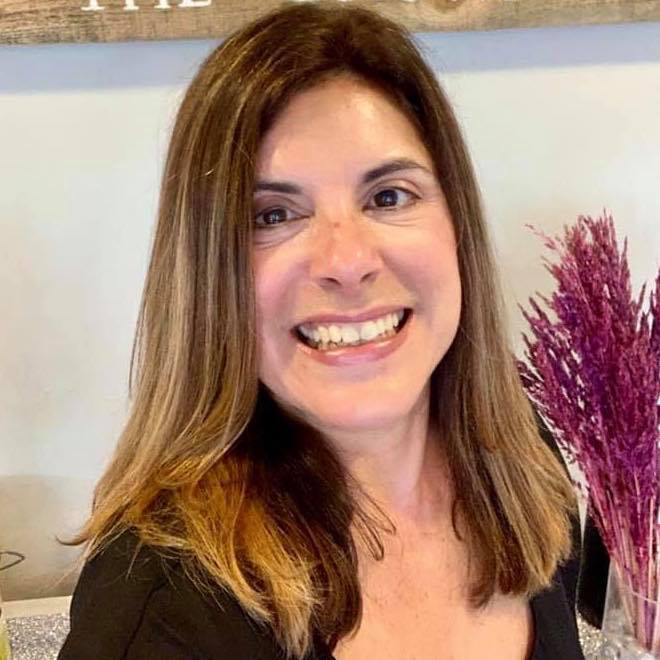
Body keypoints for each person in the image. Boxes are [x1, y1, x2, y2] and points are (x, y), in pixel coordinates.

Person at [58, 3, 584, 658]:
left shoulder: (518, 464)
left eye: (388, 197)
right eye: (273, 215)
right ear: (208, 276)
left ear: (457, 224)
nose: (348, 261)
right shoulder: (160, 616)